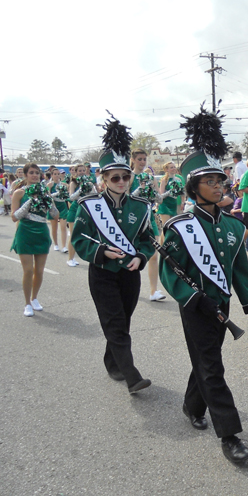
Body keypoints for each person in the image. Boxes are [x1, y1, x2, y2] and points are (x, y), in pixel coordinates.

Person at [160, 104, 248, 464]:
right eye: (211, 181)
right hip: (196, 307)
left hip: (222, 303)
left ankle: (191, 405)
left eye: (220, 180)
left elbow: (238, 272)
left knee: (208, 359)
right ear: (193, 188)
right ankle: (230, 434)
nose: (219, 185)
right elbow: (169, 273)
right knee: (211, 366)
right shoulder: (180, 227)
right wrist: (192, 298)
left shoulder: (235, 226)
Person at [71, 113, 154, 395]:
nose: (121, 181)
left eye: (125, 176)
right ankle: (132, 375)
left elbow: (149, 238)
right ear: (104, 179)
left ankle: (113, 362)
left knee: (123, 321)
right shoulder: (89, 205)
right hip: (103, 273)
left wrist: (141, 257)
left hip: (130, 274)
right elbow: (79, 239)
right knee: (115, 322)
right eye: (115, 177)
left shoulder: (142, 207)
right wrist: (101, 251)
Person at [11, 163, 59, 317]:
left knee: (39, 270)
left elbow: (55, 215)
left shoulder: (45, 192)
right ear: (25, 175)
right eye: (31, 173)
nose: (35, 175)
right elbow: (13, 217)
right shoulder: (19, 193)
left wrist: (49, 200)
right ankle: (27, 303)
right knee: (28, 270)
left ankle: (34, 298)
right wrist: (30, 201)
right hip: (25, 232)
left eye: (37, 173)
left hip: (42, 232)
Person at [130, 149, 167, 302]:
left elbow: (159, 199)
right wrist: (140, 189)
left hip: (149, 216)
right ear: (133, 159)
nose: (143, 162)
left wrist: (152, 189)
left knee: (153, 254)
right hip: (132, 218)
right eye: (139, 159)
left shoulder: (150, 178)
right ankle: (130, 287)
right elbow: (126, 198)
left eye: (144, 159)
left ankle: (153, 291)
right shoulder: (129, 177)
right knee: (131, 253)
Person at [65, 163, 96, 267]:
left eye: (84, 170)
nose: (82, 172)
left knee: (85, 234)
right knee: (73, 234)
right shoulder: (73, 182)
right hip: (75, 209)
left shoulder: (89, 182)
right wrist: (81, 189)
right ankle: (70, 258)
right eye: (80, 171)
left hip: (85, 209)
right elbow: (71, 197)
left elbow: (94, 195)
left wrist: (90, 188)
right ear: (76, 172)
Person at [48, 169, 70, 253]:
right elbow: (48, 196)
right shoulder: (50, 185)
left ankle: (64, 246)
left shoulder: (64, 184)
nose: (57, 176)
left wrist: (64, 194)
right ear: (52, 175)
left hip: (63, 206)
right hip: (53, 206)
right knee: (54, 227)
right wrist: (57, 193)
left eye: (58, 174)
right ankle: (56, 244)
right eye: (55, 174)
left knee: (63, 226)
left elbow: (67, 195)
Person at [157, 161, 183, 226]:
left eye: (174, 167)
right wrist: (170, 192)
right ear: (167, 169)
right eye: (171, 167)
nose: (174, 168)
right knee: (166, 226)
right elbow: (161, 196)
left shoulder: (178, 179)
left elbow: (182, 192)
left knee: (173, 226)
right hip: (165, 205)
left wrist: (183, 202)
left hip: (173, 204)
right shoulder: (164, 180)